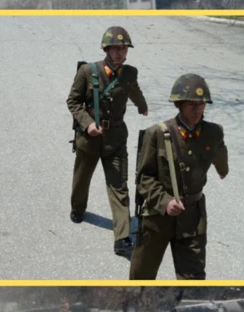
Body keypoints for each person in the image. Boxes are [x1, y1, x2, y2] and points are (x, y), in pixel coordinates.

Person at [129, 74, 228, 280]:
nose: (197, 109)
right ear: (179, 104)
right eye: (191, 104)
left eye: (201, 104)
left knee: (194, 279)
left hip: (192, 218)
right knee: (141, 277)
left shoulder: (213, 132)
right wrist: (165, 202)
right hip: (157, 218)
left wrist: (222, 169)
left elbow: (219, 151)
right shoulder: (156, 134)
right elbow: (143, 179)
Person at [66, 26, 148, 258]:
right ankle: (78, 208)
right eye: (116, 48)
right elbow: (73, 102)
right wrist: (87, 124)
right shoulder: (86, 72)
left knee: (119, 187)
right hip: (88, 140)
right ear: (106, 49)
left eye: (124, 49)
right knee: (81, 181)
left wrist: (142, 106)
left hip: (116, 141)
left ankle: (122, 238)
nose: (120, 53)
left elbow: (134, 91)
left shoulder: (129, 73)